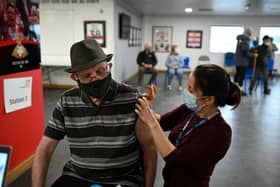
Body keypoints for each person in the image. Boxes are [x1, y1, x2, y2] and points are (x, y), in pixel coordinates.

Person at [32, 39, 157, 187]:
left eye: (100, 71)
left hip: (122, 179)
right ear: (75, 77)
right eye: (87, 76)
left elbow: (149, 149)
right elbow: (45, 148)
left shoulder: (132, 98)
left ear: (108, 67)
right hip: (77, 176)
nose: (95, 78)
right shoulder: (67, 102)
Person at [135, 64, 241, 187]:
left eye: (191, 90)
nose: (186, 92)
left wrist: (151, 123)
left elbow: (177, 161)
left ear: (209, 99)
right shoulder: (191, 109)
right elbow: (162, 121)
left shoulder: (221, 133)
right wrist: (147, 107)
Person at [233, 28, 257, 96]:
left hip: (238, 60)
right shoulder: (245, 41)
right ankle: (239, 90)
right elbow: (245, 53)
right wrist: (254, 55)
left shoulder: (240, 39)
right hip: (243, 62)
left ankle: (235, 89)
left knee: (237, 74)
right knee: (241, 76)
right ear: (249, 34)